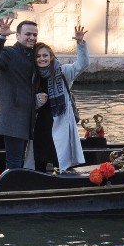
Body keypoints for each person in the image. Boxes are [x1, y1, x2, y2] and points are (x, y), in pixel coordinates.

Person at [26, 27, 90, 172]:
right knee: (39, 159)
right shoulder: (32, 76)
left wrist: (80, 43)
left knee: (59, 158)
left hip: (60, 122)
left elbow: (83, 64)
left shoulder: (63, 72)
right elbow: (27, 101)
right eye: (38, 56)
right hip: (39, 127)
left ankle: (61, 183)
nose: (42, 59)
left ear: (51, 57)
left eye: (45, 55)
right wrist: (37, 100)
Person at [0, 18, 39, 171]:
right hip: (13, 119)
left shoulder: (36, 55)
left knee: (23, 162)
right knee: (14, 163)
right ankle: (11, 192)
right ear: (18, 36)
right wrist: (1, 37)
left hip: (29, 120)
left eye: (35, 35)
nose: (32, 38)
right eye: (28, 34)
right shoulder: (9, 53)